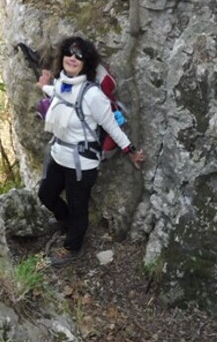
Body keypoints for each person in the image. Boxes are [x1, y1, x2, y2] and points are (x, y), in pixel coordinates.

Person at [36, 36, 145, 267]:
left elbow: (112, 127)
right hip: (58, 155)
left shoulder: (93, 95)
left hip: (81, 164)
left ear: (87, 63)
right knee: (45, 194)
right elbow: (55, 91)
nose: (73, 58)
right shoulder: (62, 84)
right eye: (69, 53)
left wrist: (131, 151)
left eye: (80, 56)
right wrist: (41, 86)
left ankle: (72, 247)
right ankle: (68, 224)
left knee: (78, 207)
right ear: (63, 56)